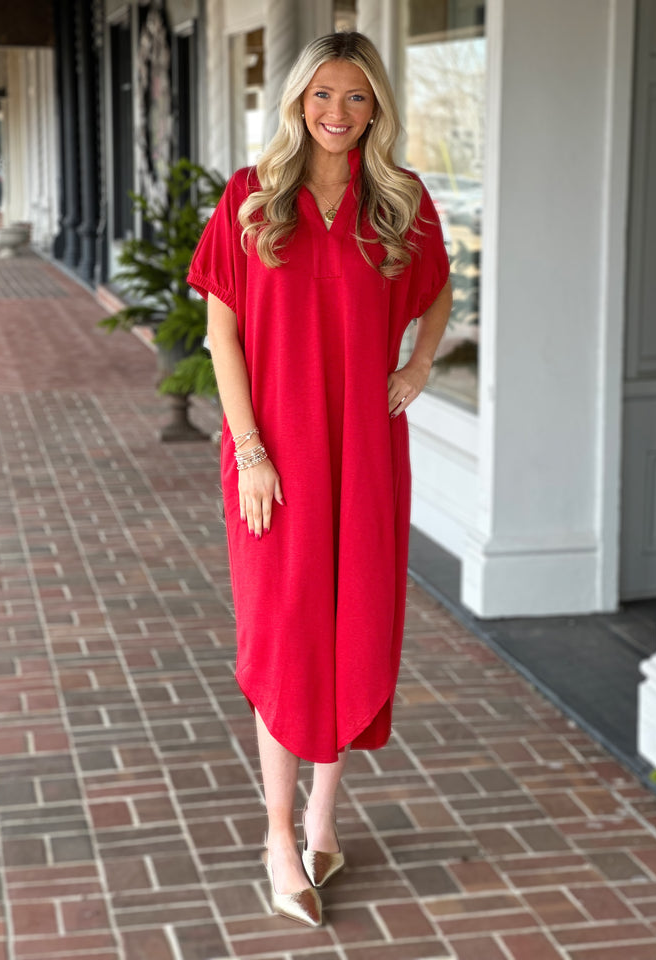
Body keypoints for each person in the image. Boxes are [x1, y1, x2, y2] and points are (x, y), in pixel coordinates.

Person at [187, 31, 452, 927]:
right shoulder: (252, 199)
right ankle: (274, 835)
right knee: (287, 635)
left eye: (356, 98)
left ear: (377, 108)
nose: (337, 114)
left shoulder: (400, 203)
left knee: (351, 630)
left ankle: (324, 824)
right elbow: (223, 335)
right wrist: (252, 452)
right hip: (274, 459)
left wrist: (415, 369)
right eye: (321, 95)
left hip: (364, 454)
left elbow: (440, 291)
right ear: (298, 100)